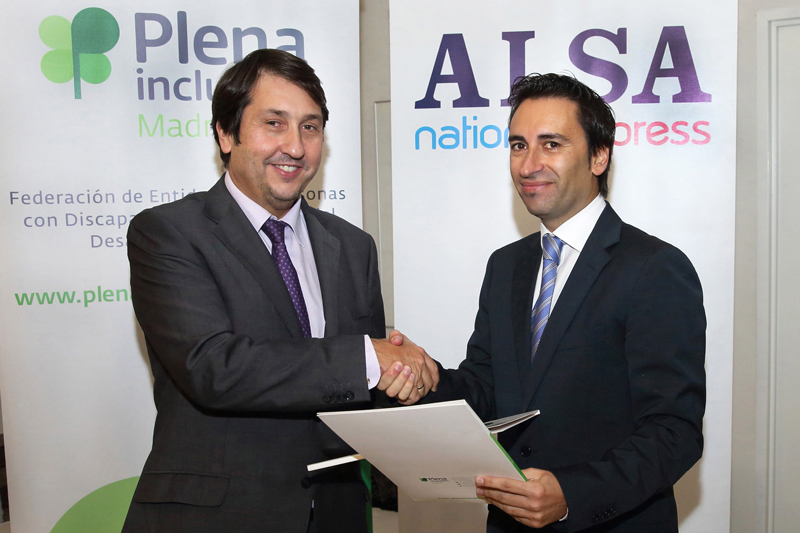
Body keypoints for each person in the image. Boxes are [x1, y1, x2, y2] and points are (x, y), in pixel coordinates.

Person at [122, 49, 437, 533]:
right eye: (274, 123)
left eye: (310, 127)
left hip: (336, 516)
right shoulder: (169, 233)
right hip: (218, 518)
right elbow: (213, 367)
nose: (294, 146)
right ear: (225, 134)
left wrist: (405, 375)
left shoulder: (353, 246)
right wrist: (369, 357)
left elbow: (359, 388)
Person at [392, 73, 706, 532]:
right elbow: (486, 388)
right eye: (518, 145)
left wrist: (570, 496)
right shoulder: (506, 265)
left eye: (551, 144)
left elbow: (674, 432)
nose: (528, 165)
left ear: (599, 156)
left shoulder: (654, 267)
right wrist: (420, 375)